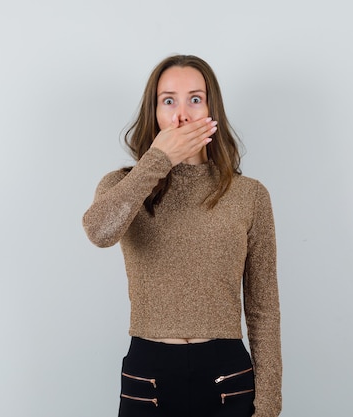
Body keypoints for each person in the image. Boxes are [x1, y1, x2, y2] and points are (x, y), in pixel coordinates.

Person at [82, 55, 281, 417]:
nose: (181, 115)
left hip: (227, 376)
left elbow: (262, 307)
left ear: (211, 108)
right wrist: (157, 160)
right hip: (149, 377)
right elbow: (99, 232)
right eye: (168, 100)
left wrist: (268, 405)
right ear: (154, 112)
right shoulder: (123, 185)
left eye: (195, 98)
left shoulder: (249, 195)